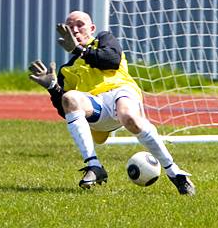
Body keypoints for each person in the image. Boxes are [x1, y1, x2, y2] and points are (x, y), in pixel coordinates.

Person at [29, 10, 195, 195]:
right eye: (70, 26)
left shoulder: (104, 39)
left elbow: (112, 60)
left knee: (129, 116)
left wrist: (79, 50)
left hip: (121, 93)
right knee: (69, 98)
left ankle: (175, 173)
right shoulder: (67, 69)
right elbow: (66, 110)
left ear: (91, 28)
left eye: (79, 24)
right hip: (97, 109)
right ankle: (94, 166)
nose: (74, 30)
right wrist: (53, 87)